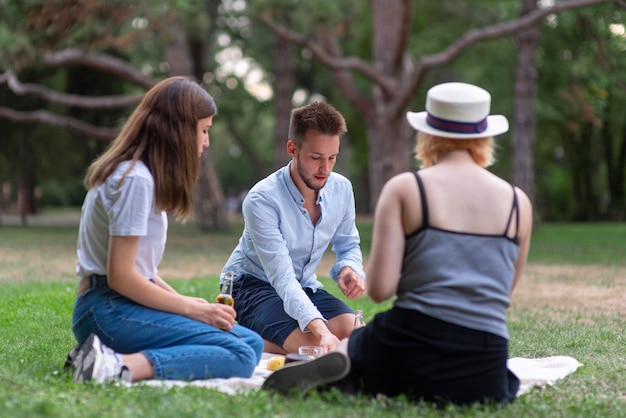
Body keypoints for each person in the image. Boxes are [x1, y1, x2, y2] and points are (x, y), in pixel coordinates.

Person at [262, 82, 533, 406]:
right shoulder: (519, 204)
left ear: (428, 133)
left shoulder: (407, 189)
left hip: (412, 347)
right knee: (358, 332)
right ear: (484, 135)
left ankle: (354, 372)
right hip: (485, 365)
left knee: (356, 342)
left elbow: (380, 289)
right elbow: (505, 289)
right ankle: (367, 375)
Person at [66, 76, 264, 384]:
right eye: (204, 131)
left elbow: (142, 270)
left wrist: (193, 305)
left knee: (251, 343)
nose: (206, 142)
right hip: (106, 309)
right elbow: (120, 276)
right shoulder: (134, 180)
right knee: (240, 355)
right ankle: (113, 366)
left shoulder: (140, 177)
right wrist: (191, 309)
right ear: (180, 132)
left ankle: (106, 358)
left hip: (120, 303)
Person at [220, 101, 366, 355]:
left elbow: (348, 245)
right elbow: (282, 278)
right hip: (252, 286)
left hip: (304, 285)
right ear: (292, 149)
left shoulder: (341, 189)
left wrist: (348, 268)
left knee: (356, 335)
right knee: (315, 346)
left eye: (332, 157)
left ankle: (260, 337)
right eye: (316, 158)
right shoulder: (261, 199)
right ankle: (231, 336)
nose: (326, 169)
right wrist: (322, 332)